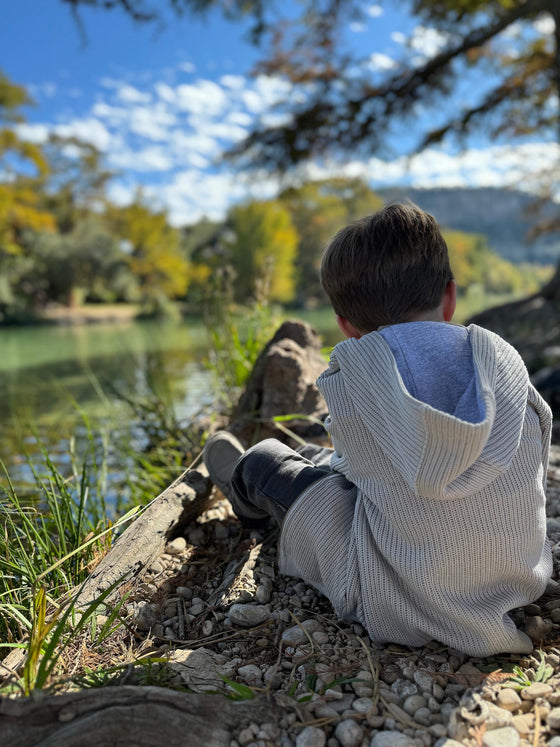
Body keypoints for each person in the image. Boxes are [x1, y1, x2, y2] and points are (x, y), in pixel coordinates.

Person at [203, 202, 553, 657]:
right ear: (449, 297)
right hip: (519, 575)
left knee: (268, 461)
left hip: (399, 596)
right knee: (333, 466)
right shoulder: (505, 366)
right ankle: (299, 462)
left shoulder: (357, 371)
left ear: (346, 326)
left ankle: (248, 502)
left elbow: (353, 475)